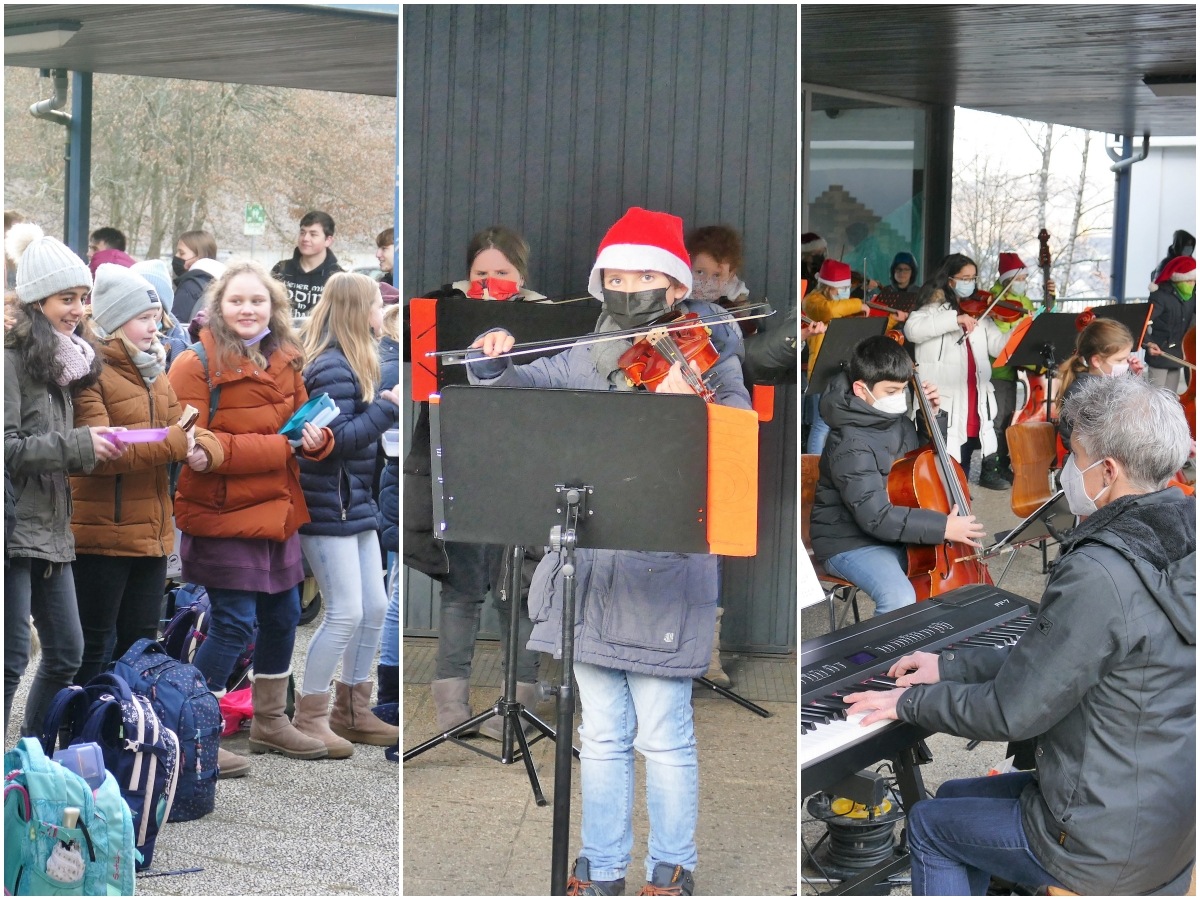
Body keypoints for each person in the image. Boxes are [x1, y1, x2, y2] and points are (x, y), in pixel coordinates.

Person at [466, 207, 750, 897]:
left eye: (644, 275)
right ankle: (601, 865)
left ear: (676, 287)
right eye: (616, 275)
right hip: (590, 572)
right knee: (600, 735)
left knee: (664, 734)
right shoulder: (588, 354)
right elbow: (519, 387)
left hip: (663, 575)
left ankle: (672, 867)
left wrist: (694, 409)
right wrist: (492, 358)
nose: (628, 286)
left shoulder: (710, 356)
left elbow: (735, 452)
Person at [844, 374, 1195, 897]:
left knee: (928, 826)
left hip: (1100, 843)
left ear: (1108, 470)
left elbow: (1014, 711)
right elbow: (1058, 658)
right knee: (955, 795)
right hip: (1162, 813)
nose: (1065, 470)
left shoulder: (1101, 570)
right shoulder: (1182, 534)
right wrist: (949, 667)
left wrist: (910, 703)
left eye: (1073, 456)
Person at [168, 260, 336, 770]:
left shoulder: (287, 359)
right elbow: (193, 444)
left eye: (257, 300)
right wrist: (280, 448)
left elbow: (306, 426)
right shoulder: (193, 365)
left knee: (285, 615)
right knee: (234, 624)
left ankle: (269, 723)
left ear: (273, 307)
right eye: (237, 300)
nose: (247, 309)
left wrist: (318, 441)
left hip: (278, 514)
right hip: (223, 515)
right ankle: (192, 731)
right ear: (218, 307)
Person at [402, 225, 550, 740]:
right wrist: (449, 303)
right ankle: (451, 709)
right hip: (458, 465)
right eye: (480, 273)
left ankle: (522, 701)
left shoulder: (546, 315)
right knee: (461, 590)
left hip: (522, 469)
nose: (490, 282)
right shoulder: (445, 310)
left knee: (520, 591)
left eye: (502, 273)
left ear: (522, 275)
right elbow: (408, 345)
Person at [69, 265, 223, 684]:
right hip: (101, 538)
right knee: (95, 647)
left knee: (139, 647)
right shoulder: (88, 373)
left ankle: (123, 739)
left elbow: (187, 426)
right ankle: (78, 739)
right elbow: (104, 448)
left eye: (156, 319)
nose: (155, 328)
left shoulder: (153, 374)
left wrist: (208, 449)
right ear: (116, 322)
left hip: (150, 540)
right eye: (144, 319)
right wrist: (178, 443)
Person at [3, 223, 124, 737]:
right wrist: (78, 445)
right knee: (9, 662)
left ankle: (26, 759)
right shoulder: (11, 360)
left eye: (82, 298)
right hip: (13, 529)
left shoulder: (62, 365)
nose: (77, 310)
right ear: (36, 302)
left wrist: (92, 448)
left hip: (51, 528)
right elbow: (8, 448)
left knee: (67, 653)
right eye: (64, 299)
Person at [292, 272, 400, 757]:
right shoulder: (333, 366)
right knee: (344, 613)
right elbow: (335, 442)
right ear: (360, 310)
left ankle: (354, 708)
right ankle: (310, 715)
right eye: (378, 303)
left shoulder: (353, 361)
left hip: (352, 502)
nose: (383, 311)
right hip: (328, 502)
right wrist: (388, 409)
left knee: (374, 607)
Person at [810, 335, 985, 614]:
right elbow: (875, 516)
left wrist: (933, 416)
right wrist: (943, 527)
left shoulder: (894, 421)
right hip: (850, 541)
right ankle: (887, 657)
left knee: (950, 585)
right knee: (899, 597)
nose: (898, 398)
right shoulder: (849, 444)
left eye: (903, 390)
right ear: (860, 389)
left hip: (894, 533)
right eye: (891, 391)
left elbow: (918, 467)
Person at [904, 253, 1007, 471]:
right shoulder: (932, 308)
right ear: (950, 280)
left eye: (973, 278)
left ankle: (960, 504)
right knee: (938, 464)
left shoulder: (980, 311)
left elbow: (998, 346)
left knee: (964, 463)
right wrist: (955, 319)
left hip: (972, 397)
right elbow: (912, 330)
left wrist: (1020, 328)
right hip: (943, 399)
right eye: (965, 278)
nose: (970, 283)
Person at [979, 252, 1039, 490]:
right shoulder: (994, 300)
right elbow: (1003, 332)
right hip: (996, 370)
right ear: (1008, 281)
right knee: (993, 421)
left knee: (1006, 420)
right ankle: (988, 469)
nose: (1024, 282)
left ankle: (1003, 464)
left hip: (1014, 369)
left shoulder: (1024, 302)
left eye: (1025, 278)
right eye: (1020, 278)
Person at [1055, 318, 1144, 453]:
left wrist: (1133, 376)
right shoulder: (1082, 392)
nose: (1125, 364)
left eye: (1127, 358)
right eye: (1120, 360)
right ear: (1096, 360)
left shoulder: (1107, 381)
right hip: (1089, 463)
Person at [802, 258, 863, 454]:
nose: (846, 292)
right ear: (828, 287)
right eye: (842, 288)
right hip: (822, 368)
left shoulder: (845, 306)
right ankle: (812, 469)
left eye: (848, 288)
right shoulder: (814, 301)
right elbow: (830, 310)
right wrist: (858, 304)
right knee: (821, 425)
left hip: (844, 367)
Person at [376, 304, 401, 716]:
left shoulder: (383, 367)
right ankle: (388, 700)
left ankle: (387, 698)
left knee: (393, 598)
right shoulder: (395, 371)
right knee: (395, 601)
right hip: (398, 499)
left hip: (392, 499)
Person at [271, 211, 344, 319]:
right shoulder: (281, 269)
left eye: (313, 234)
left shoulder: (338, 278)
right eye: (302, 233)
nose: (305, 239)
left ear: (328, 240)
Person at [1144, 255, 1196, 394]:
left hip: (1178, 355)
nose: (1192, 284)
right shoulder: (1160, 297)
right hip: (1159, 353)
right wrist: (1148, 343)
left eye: (1194, 281)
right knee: (1155, 397)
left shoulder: (1192, 297)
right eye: (1189, 281)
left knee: (1171, 398)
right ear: (1178, 279)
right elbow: (1142, 323)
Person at [131, 258, 190, 368]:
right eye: (139, 302)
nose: (146, 308)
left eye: (155, 306)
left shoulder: (180, 347)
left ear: (164, 309)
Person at [685, 224, 750, 307]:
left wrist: (741, 307)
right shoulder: (684, 286)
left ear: (730, 275)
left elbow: (741, 298)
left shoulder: (730, 286)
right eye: (700, 272)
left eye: (717, 275)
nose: (707, 281)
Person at [171, 230, 226, 326]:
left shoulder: (190, 287)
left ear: (199, 256)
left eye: (181, 253)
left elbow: (176, 327)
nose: (176, 256)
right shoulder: (222, 283)